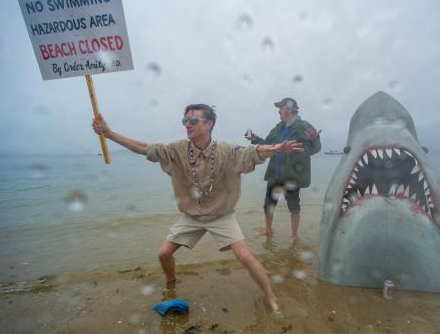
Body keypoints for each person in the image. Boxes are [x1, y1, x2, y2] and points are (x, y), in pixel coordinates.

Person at [92, 104, 303, 312]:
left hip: (221, 215)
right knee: (163, 254)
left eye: (193, 120)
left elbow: (253, 152)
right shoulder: (177, 149)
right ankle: (171, 282)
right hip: (192, 216)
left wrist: (276, 149)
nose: (187, 125)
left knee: (245, 256)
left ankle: (271, 297)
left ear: (209, 123)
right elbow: (146, 149)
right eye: (185, 121)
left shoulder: (227, 150)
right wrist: (109, 134)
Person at [246, 97, 321, 238]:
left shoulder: (304, 126)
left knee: (293, 207)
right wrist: (255, 139)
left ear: (289, 109)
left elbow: (315, 149)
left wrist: (314, 139)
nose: (278, 111)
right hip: (275, 173)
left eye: (280, 108)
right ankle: (268, 231)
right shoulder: (277, 128)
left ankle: (294, 236)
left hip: (292, 175)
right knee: (269, 205)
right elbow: (267, 144)